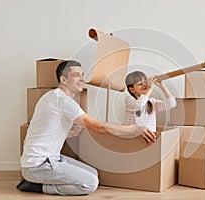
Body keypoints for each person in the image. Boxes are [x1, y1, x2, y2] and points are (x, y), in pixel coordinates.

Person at [17, 60, 156, 196]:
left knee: (92, 173)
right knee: (90, 183)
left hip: (51, 158)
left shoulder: (52, 97)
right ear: (63, 79)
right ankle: (38, 186)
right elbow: (98, 127)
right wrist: (134, 129)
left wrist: (73, 131)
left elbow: (49, 131)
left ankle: (40, 181)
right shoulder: (63, 101)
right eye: (77, 75)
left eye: (82, 75)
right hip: (38, 165)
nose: (82, 79)